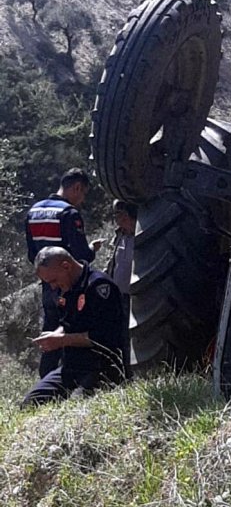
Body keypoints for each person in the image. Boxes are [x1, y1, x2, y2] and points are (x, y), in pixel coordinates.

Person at [21, 246, 125, 408]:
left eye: (53, 280)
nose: (53, 287)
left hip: (101, 367)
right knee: (29, 404)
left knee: (75, 408)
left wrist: (62, 340)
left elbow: (105, 337)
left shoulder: (98, 286)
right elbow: (67, 324)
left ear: (66, 266)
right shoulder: (65, 288)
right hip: (71, 367)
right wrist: (55, 335)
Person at [25, 168, 104, 376]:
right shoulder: (69, 213)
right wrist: (92, 251)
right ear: (76, 187)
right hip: (67, 285)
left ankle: (46, 376)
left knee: (50, 327)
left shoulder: (33, 211)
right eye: (83, 193)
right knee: (70, 328)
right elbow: (80, 255)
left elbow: (32, 255)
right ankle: (71, 377)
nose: (82, 199)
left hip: (47, 284)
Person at [105, 199, 138, 375]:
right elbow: (112, 263)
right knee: (118, 335)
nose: (117, 219)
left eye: (119, 214)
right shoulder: (119, 236)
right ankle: (120, 372)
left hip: (136, 297)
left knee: (131, 336)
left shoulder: (145, 236)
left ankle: (132, 372)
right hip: (118, 295)